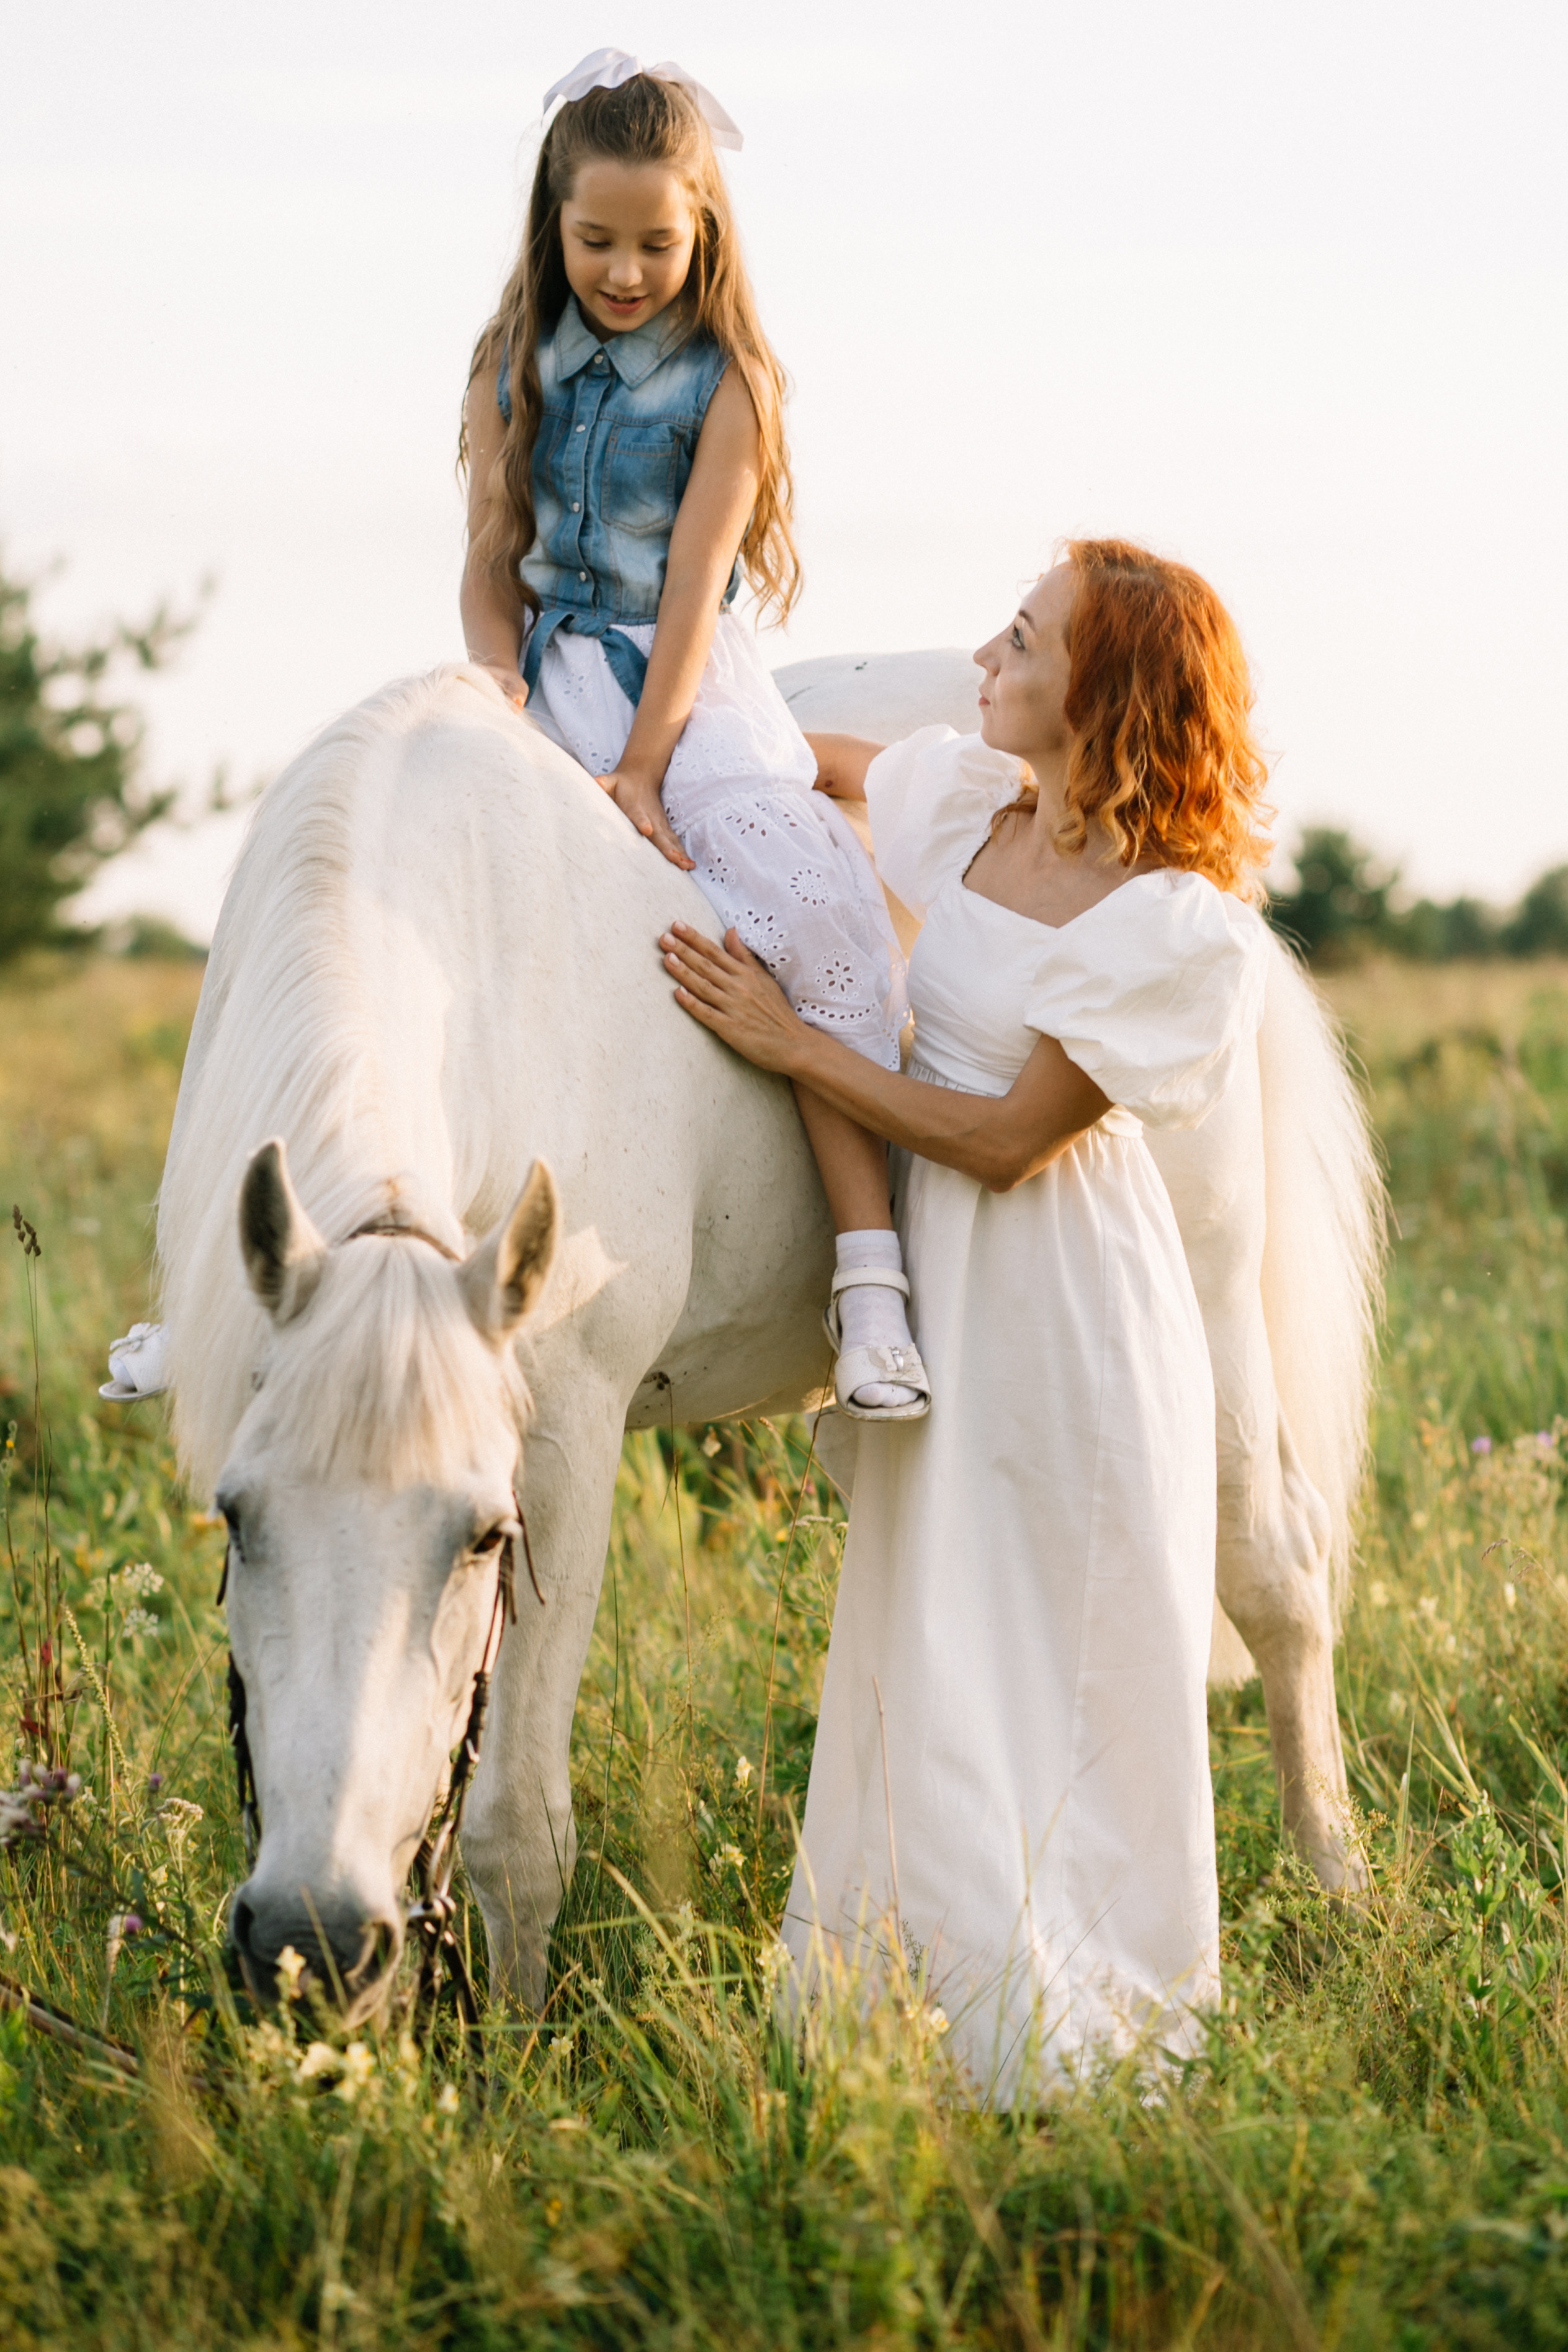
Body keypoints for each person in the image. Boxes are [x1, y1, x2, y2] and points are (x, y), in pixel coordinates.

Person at [660, 540, 1275, 2103]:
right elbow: (806, 759)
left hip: (1065, 1299)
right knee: (925, 1625)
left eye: (1022, 637)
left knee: (1054, 1647)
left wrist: (791, 1039)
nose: (981, 652)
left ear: (1105, 692)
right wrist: (669, 735)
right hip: (956, 1277)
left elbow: (1006, 1136)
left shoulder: (1172, 922)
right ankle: (904, 2007)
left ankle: (1076, 2028)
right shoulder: (973, 810)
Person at [459, 50, 927, 1422]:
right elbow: (492, 560)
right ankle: (227, 1286)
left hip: (687, 694)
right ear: (553, 224)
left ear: (704, 226)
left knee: (825, 915)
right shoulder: (508, 363)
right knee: (398, 892)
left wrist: (646, 769)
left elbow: (687, 594)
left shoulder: (732, 383)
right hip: (540, 676)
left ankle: (867, 1279)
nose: (623, 268)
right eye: (595, 239)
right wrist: (494, 685)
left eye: (656, 242)